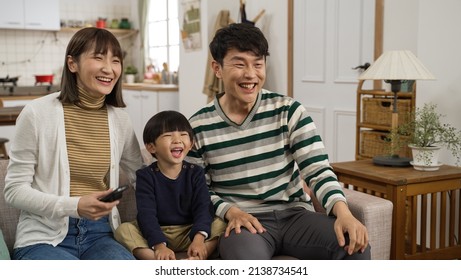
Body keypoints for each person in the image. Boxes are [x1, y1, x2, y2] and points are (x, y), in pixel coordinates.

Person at [187, 23, 371, 260]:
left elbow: (318, 170)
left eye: (258, 63)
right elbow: (199, 191)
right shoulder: (197, 127)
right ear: (217, 68)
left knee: (355, 247)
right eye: (239, 64)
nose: (251, 74)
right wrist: (231, 212)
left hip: (296, 216)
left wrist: (343, 212)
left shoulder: (288, 111)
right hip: (245, 223)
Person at [4, 27, 143, 260]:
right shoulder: (37, 113)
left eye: (115, 60)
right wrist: (74, 205)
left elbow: (142, 175)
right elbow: (14, 190)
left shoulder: (119, 119)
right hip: (43, 237)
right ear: (72, 64)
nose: (109, 68)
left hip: (101, 234)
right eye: (98, 57)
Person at [115, 111, 226, 260]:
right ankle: (157, 260)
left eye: (183, 135)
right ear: (151, 147)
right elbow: (146, 214)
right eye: (168, 136)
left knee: (220, 222)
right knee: (124, 229)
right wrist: (159, 245)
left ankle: (199, 254)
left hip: (189, 231)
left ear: (191, 143)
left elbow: (202, 208)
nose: (177, 140)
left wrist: (199, 240)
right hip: (156, 233)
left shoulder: (196, 173)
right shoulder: (145, 176)